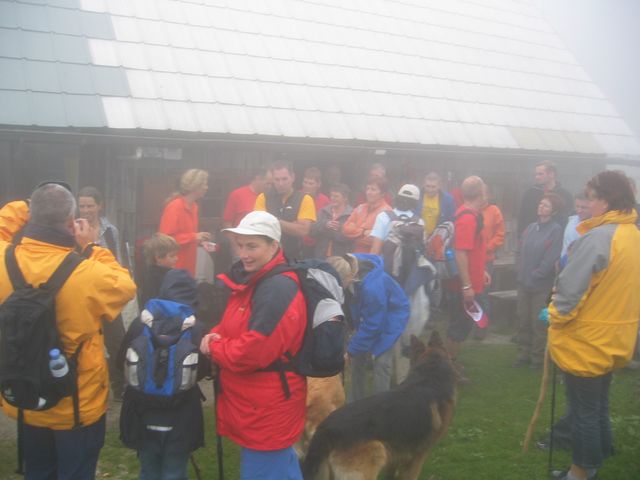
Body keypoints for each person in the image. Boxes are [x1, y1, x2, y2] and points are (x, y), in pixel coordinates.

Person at [0, 183, 136, 479]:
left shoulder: (3, 258)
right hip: (76, 403)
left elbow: (4, 223)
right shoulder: (88, 273)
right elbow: (125, 285)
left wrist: (29, 205)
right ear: (72, 222)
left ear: (32, 214)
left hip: (27, 396)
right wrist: (91, 247)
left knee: (37, 471)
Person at [199, 211, 307, 479]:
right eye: (240, 246)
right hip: (257, 403)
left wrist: (214, 348)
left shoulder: (277, 288)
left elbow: (252, 352)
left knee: (265, 468)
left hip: (267, 407)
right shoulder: (256, 280)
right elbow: (233, 325)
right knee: (279, 467)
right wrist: (215, 334)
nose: (244, 254)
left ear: (274, 246)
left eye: (252, 246)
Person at [548, 171, 640, 480]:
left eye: (592, 198)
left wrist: (555, 315)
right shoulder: (632, 234)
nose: (588, 204)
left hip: (588, 339)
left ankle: (581, 472)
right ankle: (602, 452)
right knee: (598, 403)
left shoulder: (599, 237)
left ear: (606, 200)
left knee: (583, 409)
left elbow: (571, 291)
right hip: (616, 335)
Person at [119, 269, 207, 480]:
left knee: (149, 470)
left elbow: (120, 361)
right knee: (175, 471)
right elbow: (202, 370)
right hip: (182, 411)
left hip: (142, 409)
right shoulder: (197, 327)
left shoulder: (140, 323)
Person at [327, 254, 409, 402]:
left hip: (391, 315)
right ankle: (354, 403)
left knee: (381, 362)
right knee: (357, 360)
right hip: (367, 313)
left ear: (349, 277)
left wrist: (350, 351)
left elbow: (372, 325)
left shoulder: (372, 289)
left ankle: (379, 406)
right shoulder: (345, 264)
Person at [77, 186, 127, 401]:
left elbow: (118, 259)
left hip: (106, 294)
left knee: (117, 341)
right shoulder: (73, 229)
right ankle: (86, 390)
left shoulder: (110, 230)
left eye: (90, 206)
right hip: (83, 294)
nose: (86, 210)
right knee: (85, 343)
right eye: (82, 206)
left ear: (99, 206)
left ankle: (119, 385)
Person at [444, 176, 487, 378]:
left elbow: (473, 249)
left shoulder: (470, 214)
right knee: (457, 327)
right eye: (485, 190)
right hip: (462, 285)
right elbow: (460, 252)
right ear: (480, 193)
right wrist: (467, 286)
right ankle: (448, 369)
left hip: (470, 281)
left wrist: (482, 270)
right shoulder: (468, 217)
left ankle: (451, 364)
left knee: (461, 325)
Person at [513, 193, 563, 368]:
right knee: (523, 319)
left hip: (541, 285)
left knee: (538, 322)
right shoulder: (530, 228)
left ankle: (537, 358)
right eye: (541, 204)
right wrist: (519, 268)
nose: (541, 207)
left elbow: (551, 258)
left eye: (546, 205)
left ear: (553, 211)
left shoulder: (556, 231)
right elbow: (519, 249)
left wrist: (537, 274)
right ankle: (523, 354)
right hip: (523, 282)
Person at [254, 161, 316, 261]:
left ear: (293, 177)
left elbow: (303, 230)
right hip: (267, 258)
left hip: (293, 258)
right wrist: (292, 225)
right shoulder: (263, 197)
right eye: (277, 179)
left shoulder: (305, 199)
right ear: (272, 179)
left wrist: (273, 221)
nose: (281, 183)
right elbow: (259, 228)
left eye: (284, 179)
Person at [159, 169, 211, 277]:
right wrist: (194, 237)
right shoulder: (175, 207)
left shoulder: (194, 207)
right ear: (195, 186)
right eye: (204, 184)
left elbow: (187, 236)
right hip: (175, 266)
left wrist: (200, 241)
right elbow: (165, 240)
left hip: (189, 265)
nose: (206, 187)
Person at [517, 160, 573, 238]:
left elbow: (569, 219)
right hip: (532, 238)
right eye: (536, 174)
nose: (536, 177)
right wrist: (521, 238)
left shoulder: (565, 195)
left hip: (557, 238)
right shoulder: (530, 193)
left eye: (540, 174)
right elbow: (523, 218)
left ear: (551, 174)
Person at [476, 183, 505, 333]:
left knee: (482, 293)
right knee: (471, 293)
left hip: (486, 259)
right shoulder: (470, 210)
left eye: (483, 194)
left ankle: (482, 326)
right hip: (470, 259)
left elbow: (500, 235)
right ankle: (470, 323)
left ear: (488, 195)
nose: (481, 197)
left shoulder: (494, 211)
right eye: (478, 194)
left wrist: (487, 247)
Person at [342, 177, 391, 253]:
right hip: (354, 254)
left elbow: (377, 240)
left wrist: (355, 231)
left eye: (373, 189)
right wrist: (363, 232)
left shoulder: (387, 212)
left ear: (383, 193)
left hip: (373, 256)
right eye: (367, 189)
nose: (368, 192)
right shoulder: (360, 208)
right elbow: (345, 229)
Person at [309, 183, 354, 258]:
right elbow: (311, 231)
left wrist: (339, 228)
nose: (333, 198)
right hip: (320, 256)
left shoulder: (352, 214)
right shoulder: (323, 211)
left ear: (345, 198)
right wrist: (325, 225)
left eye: (336, 196)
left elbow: (352, 238)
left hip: (341, 258)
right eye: (332, 196)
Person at [139, 233, 179, 306]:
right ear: (158, 258)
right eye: (172, 256)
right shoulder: (156, 279)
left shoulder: (152, 273)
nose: (176, 258)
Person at [301, 167, 331, 258]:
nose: (307, 185)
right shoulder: (296, 197)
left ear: (318, 184)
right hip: (299, 242)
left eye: (311, 183)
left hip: (318, 244)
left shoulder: (325, 200)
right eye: (305, 182)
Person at [419, 172, 456, 237]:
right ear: (423, 185)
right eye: (428, 186)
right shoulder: (417, 197)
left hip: (438, 238)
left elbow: (451, 223)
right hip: (418, 237)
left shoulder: (448, 200)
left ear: (439, 186)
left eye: (433, 187)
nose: (430, 190)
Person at [560, 192, 592, 266]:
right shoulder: (570, 220)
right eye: (577, 206)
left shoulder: (596, 227)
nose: (579, 210)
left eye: (584, 207)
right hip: (563, 266)